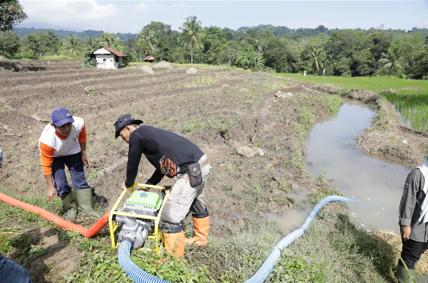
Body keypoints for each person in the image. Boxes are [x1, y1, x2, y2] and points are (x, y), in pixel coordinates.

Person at [114, 114, 211, 257]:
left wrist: (128, 184)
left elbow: (132, 163)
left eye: (123, 137)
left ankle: (173, 260)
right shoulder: (149, 134)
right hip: (201, 164)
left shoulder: (137, 135)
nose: (125, 141)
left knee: (169, 216)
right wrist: (148, 185)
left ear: (128, 128)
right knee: (196, 202)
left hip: (190, 171)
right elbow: (163, 167)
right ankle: (200, 240)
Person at [39, 107, 99, 220]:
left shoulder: (78, 123)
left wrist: (84, 153)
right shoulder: (47, 140)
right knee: (60, 184)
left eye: (68, 124)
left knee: (79, 178)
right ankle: (71, 208)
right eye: (62, 126)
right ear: (54, 126)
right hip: (55, 156)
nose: (67, 128)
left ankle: (87, 209)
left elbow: (82, 137)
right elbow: (46, 165)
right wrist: (50, 187)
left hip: (73, 151)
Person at [396, 154, 428, 282]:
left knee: (418, 253)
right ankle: (403, 278)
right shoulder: (417, 174)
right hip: (416, 226)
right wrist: (405, 225)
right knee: (409, 256)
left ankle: (401, 272)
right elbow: (407, 201)